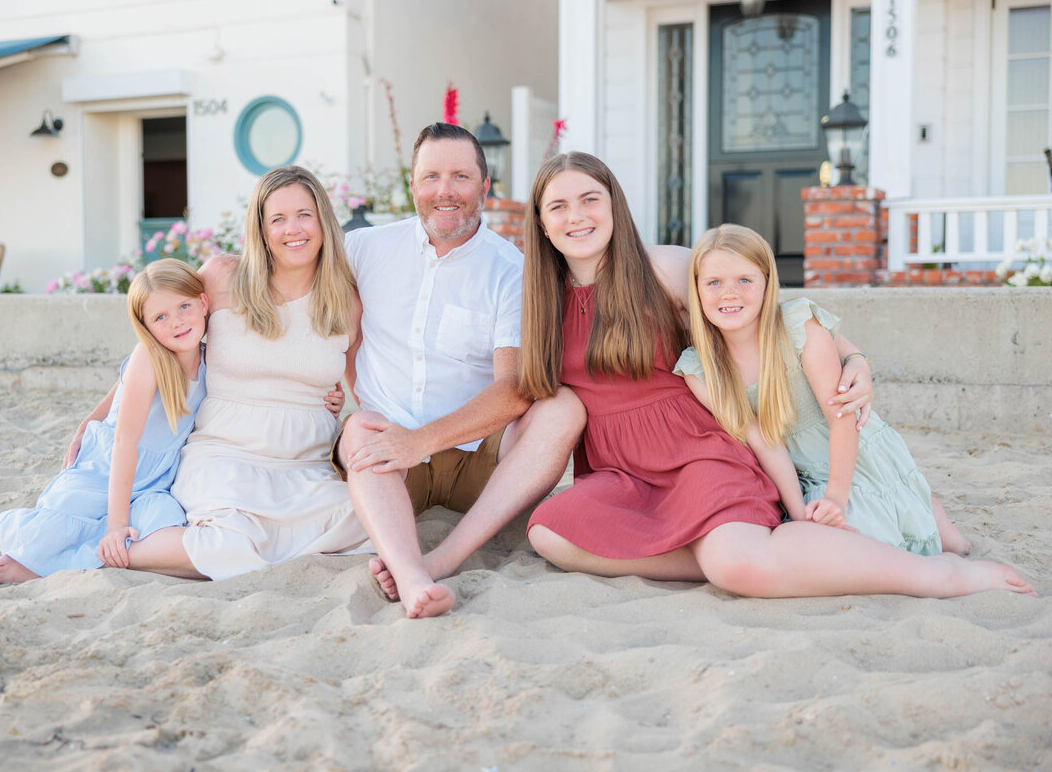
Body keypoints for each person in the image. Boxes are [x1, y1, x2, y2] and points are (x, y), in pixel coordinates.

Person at [517, 151, 1033, 598]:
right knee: (550, 533)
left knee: (739, 563)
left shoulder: (664, 269)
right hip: (625, 469)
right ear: (540, 222)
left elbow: (767, 315)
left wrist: (856, 359)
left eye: (590, 199)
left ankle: (936, 575)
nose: (576, 216)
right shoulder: (540, 303)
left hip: (702, 451)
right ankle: (755, 550)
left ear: (614, 207)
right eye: (558, 205)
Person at [337, 123, 586, 619]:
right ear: (411, 184)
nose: (444, 191)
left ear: (485, 186)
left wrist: (421, 440)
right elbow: (304, 301)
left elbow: (514, 389)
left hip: (480, 466)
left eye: (460, 176)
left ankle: (444, 558)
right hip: (391, 462)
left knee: (561, 407)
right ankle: (411, 578)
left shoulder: (511, 270)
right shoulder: (363, 249)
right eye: (430, 176)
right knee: (359, 427)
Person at [115, 165, 370, 580]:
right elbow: (155, 346)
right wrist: (96, 415)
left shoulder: (346, 302)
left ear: (323, 220)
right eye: (278, 219)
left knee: (366, 522)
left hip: (305, 466)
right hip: (225, 454)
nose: (294, 229)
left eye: (305, 214)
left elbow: (364, 387)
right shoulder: (221, 277)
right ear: (261, 228)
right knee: (229, 542)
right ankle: (106, 548)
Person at [675, 224, 971, 556]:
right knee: (828, 544)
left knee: (904, 542)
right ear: (696, 290)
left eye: (745, 280)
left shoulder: (797, 325)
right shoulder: (699, 368)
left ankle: (928, 512)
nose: (729, 293)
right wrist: (800, 512)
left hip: (848, 452)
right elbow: (763, 442)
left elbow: (841, 414)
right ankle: (923, 510)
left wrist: (836, 498)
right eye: (714, 282)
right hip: (798, 474)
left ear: (767, 284)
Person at [0, 259, 209, 584]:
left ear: (203, 302)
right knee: (57, 525)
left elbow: (117, 390)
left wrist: (85, 424)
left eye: (184, 306)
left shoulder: (211, 357)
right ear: (146, 328)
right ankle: (0, 527)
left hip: (155, 480)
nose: (176, 322)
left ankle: (54, 561)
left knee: (164, 525)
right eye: (161, 317)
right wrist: (117, 525)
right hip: (106, 467)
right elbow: (124, 441)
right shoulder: (149, 357)